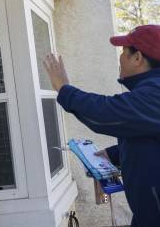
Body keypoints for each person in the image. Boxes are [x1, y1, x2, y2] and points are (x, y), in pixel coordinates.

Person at [44, 25, 160, 227]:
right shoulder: (150, 91)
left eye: (123, 52)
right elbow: (148, 135)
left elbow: (106, 113)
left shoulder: (154, 93)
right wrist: (114, 155)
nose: (120, 58)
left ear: (138, 58)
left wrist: (64, 88)